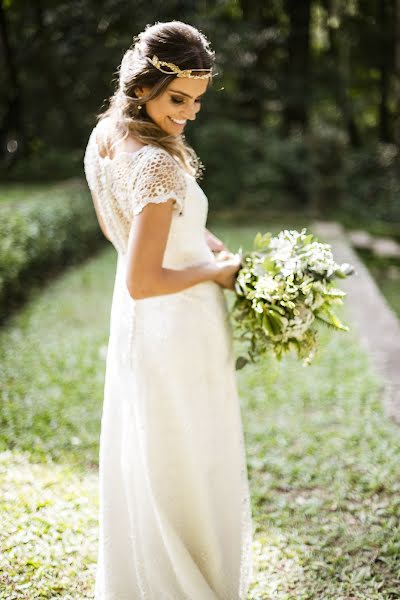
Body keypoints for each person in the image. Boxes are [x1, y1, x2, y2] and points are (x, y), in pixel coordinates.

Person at [83, 20, 254, 599]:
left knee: (154, 461)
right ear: (143, 86)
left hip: (141, 332)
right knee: (189, 464)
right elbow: (143, 277)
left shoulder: (106, 137)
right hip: (176, 325)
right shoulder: (154, 162)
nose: (189, 113)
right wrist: (218, 271)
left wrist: (205, 243)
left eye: (198, 101)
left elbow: (135, 232)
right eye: (178, 99)